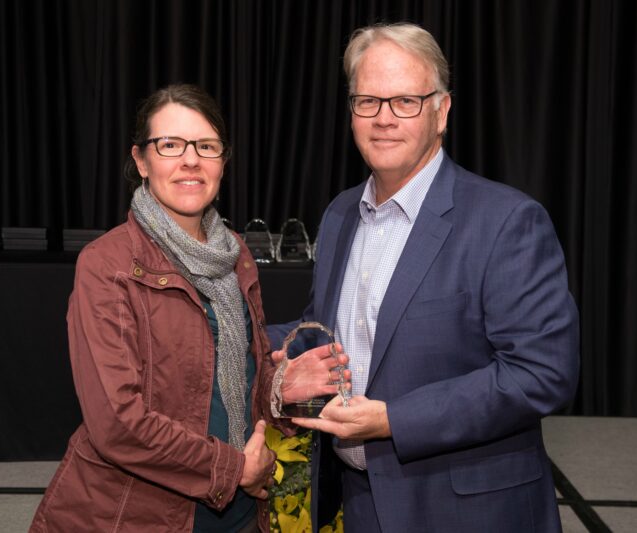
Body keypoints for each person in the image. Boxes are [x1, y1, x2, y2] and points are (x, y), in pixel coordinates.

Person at [274, 23, 580, 532]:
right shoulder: (340, 215)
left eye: (405, 102)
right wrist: (241, 344)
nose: (384, 119)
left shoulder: (506, 221)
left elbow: (542, 373)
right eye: (368, 100)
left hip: (470, 512)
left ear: (441, 112)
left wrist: (393, 419)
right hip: (363, 504)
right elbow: (321, 332)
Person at [30, 84, 349, 533]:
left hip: (241, 511)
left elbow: (226, 380)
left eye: (206, 146)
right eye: (170, 145)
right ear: (141, 161)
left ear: (223, 160)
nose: (190, 160)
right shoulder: (107, 265)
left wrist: (275, 390)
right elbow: (117, 424)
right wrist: (232, 469)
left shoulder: (234, 253)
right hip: (143, 512)